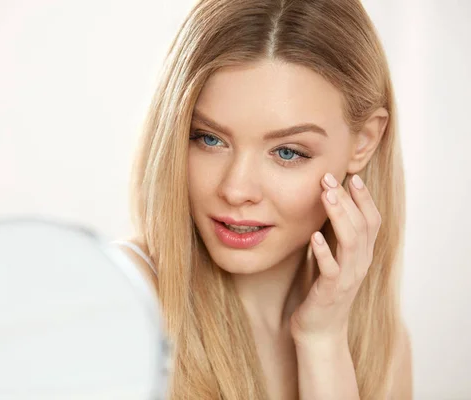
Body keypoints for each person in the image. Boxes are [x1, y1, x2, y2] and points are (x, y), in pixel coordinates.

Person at [115, 0, 412, 398]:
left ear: (364, 142)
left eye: (287, 152)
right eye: (209, 138)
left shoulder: (382, 345)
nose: (236, 190)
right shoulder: (121, 303)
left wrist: (323, 342)